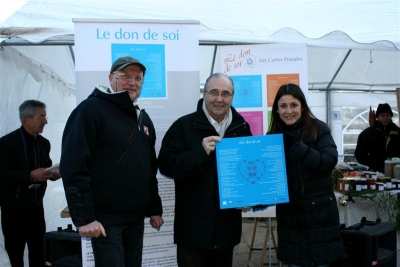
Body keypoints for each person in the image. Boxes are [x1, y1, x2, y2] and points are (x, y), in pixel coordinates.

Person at [60, 56, 163, 267]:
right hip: (106, 222)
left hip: (136, 220)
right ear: (111, 78)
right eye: (125, 76)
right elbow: (74, 167)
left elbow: (148, 168)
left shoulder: (143, 119)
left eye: (138, 78)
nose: (132, 82)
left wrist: (154, 209)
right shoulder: (89, 111)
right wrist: (84, 218)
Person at [157, 73, 252, 267]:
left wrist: (249, 196)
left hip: (227, 229)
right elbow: (165, 165)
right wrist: (199, 153)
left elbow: (251, 167)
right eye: (214, 93)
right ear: (204, 93)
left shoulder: (241, 127)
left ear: (232, 97)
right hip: (193, 231)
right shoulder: (183, 126)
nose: (219, 99)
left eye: (226, 94)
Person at [267, 84, 347, 267]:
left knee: (321, 261)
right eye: (283, 106)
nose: (289, 111)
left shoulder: (319, 129)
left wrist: (298, 148)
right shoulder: (272, 136)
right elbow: (268, 176)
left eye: (294, 105)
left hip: (320, 216)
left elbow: (328, 161)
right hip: (290, 218)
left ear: (302, 107)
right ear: (277, 110)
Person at [0, 100, 61, 267]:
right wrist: (29, 175)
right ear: (26, 119)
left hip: (36, 207)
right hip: (13, 209)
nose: (46, 121)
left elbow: (46, 165)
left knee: (39, 253)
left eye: (45, 117)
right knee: (15, 253)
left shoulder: (44, 143)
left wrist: (53, 174)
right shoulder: (6, 143)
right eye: (41, 117)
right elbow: (3, 175)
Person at [355, 103, 400, 173]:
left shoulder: (397, 132)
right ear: (378, 117)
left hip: (395, 171)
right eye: (382, 115)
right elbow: (359, 153)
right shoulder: (368, 134)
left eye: (388, 115)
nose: (385, 118)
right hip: (374, 173)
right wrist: (370, 165)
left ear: (391, 116)